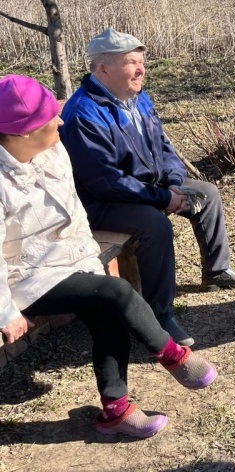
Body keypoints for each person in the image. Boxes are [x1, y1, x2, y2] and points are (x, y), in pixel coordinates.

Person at [0, 75, 218, 438]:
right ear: (22, 133)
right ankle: (173, 355)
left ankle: (115, 410)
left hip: (69, 260)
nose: (60, 120)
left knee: (108, 313)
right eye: (50, 117)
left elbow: (75, 213)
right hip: (23, 276)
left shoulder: (53, 151)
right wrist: (5, 311)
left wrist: (88, 262)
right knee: (115, 294)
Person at [60, 28, 235, 347]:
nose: (142, 69)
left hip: (144, 188)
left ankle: (216, 272)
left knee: (206, 194)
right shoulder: (84, 113)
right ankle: (160, 315)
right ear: (103, 69)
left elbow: (163, 147)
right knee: (154, 226)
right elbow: (105, 182)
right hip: (99, 203)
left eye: (142, 62)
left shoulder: (137, 98)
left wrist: (173, 183)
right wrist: (162, 198)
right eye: (132, 62)